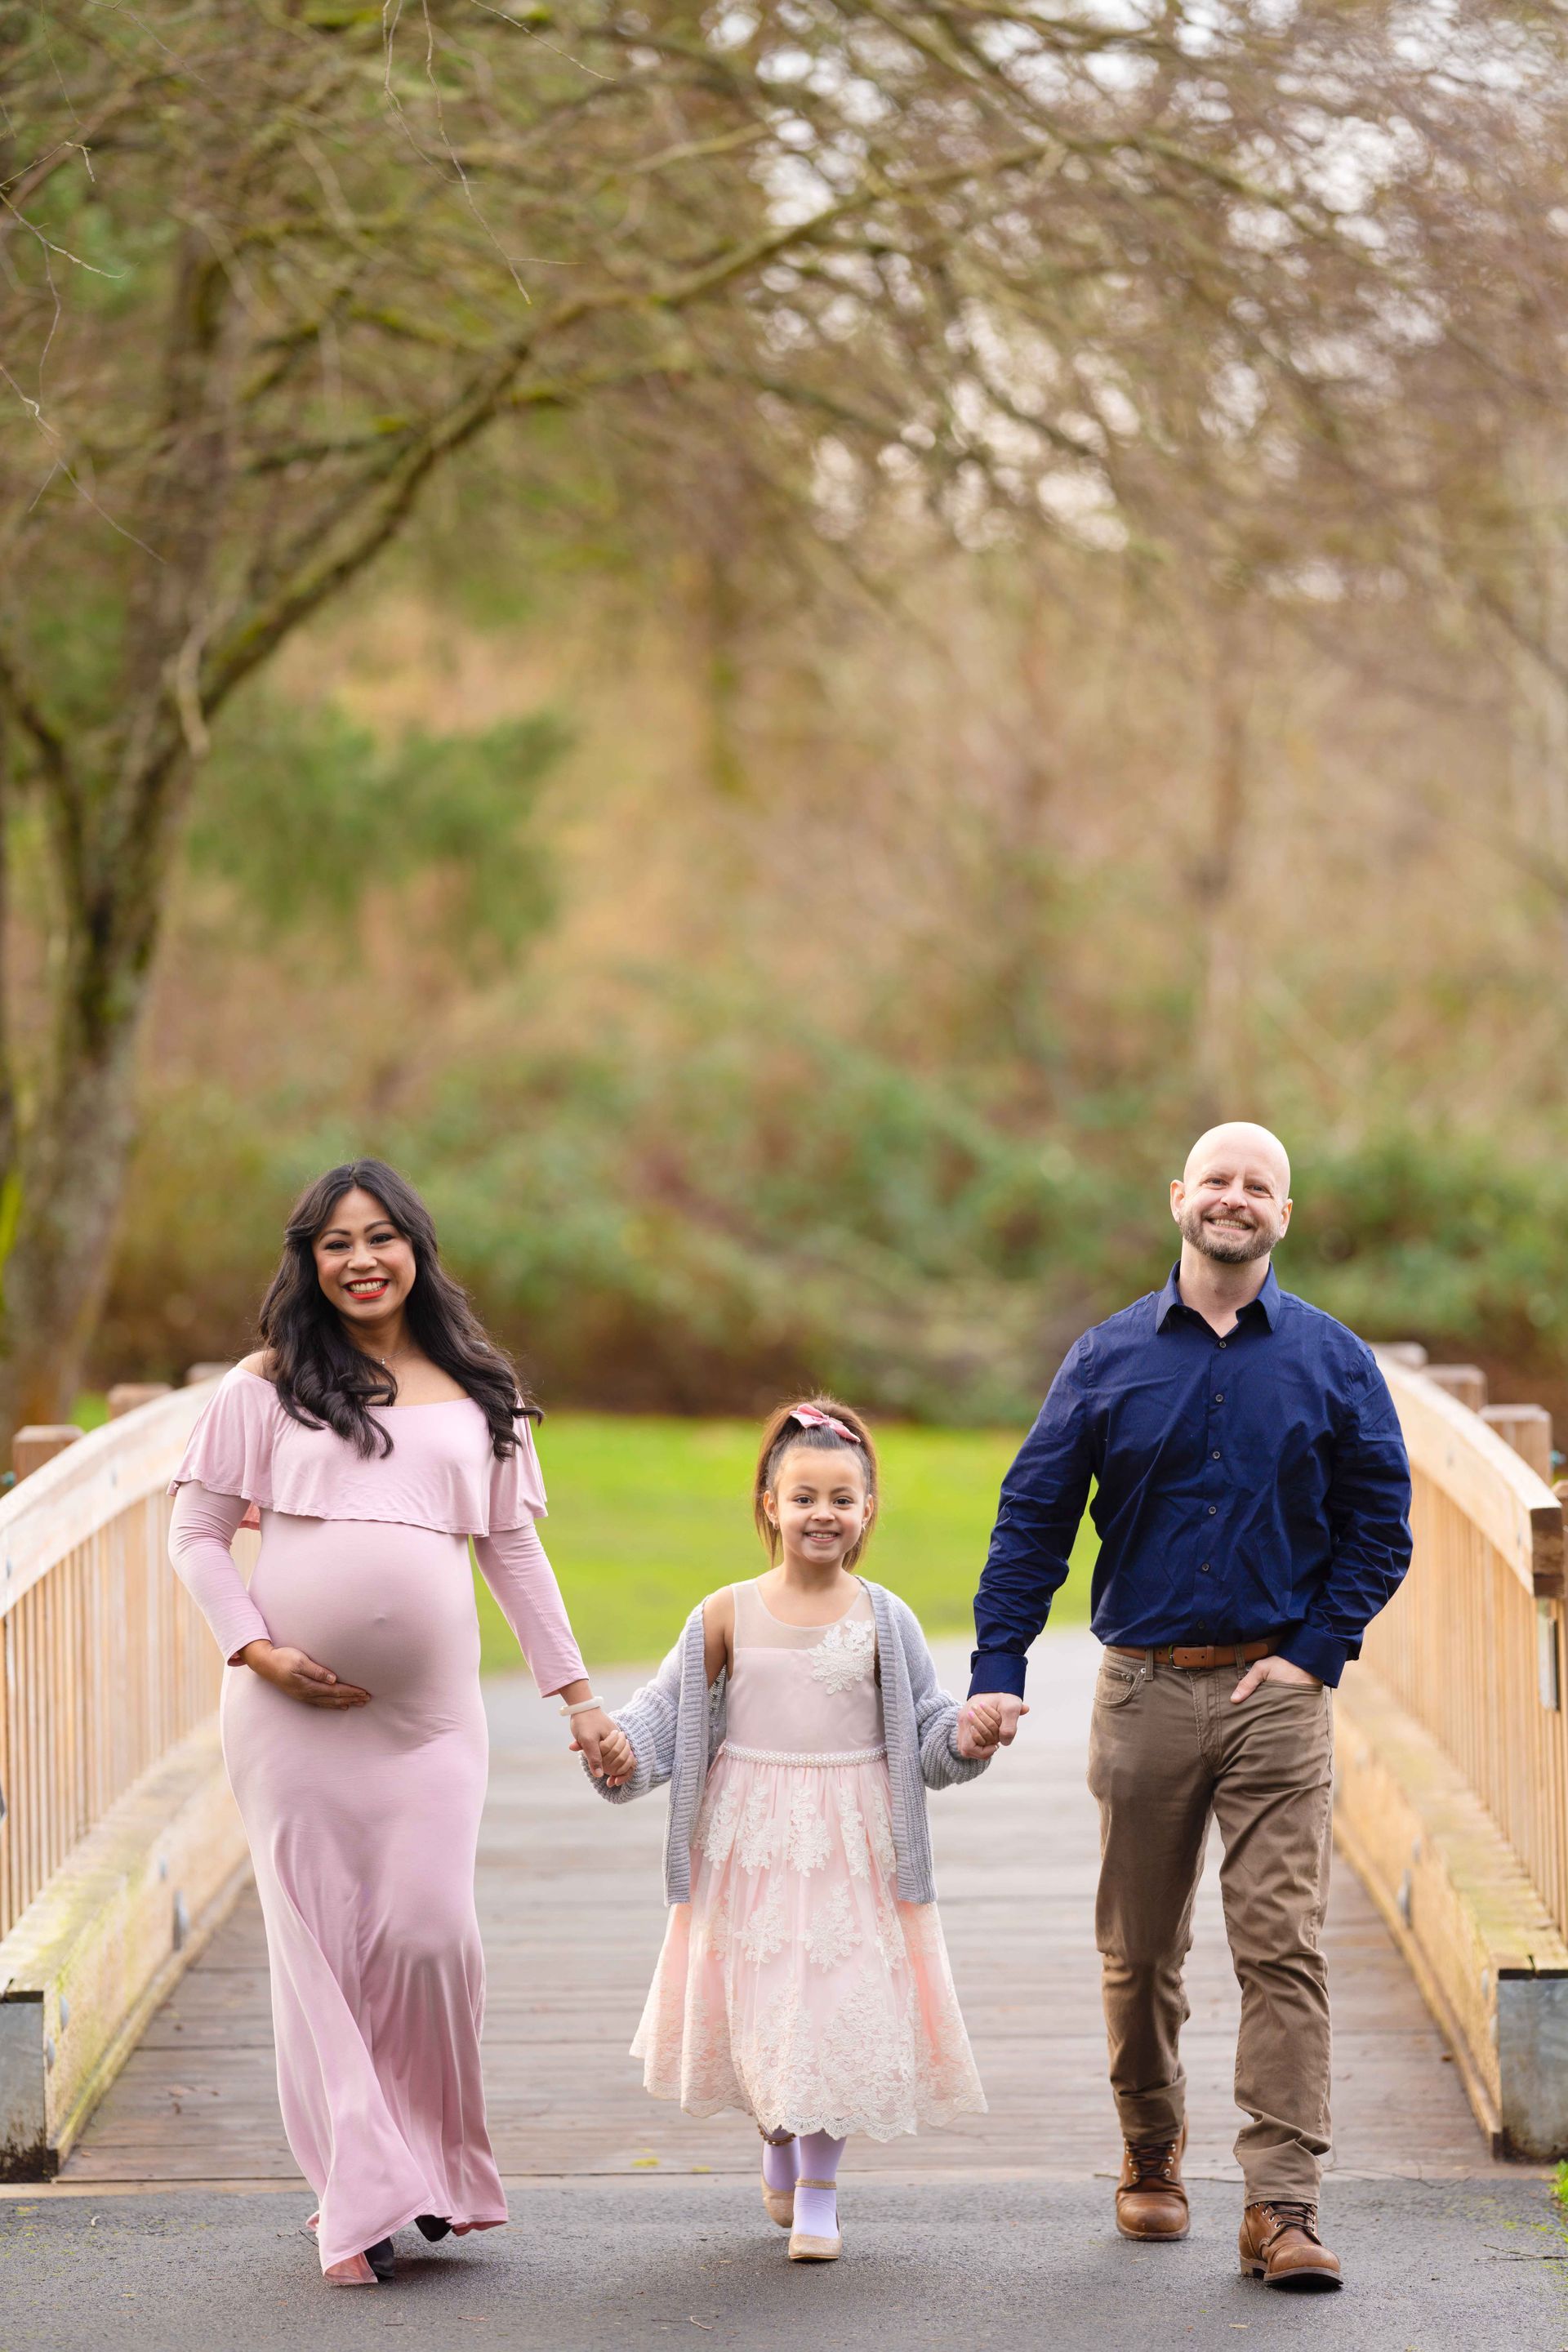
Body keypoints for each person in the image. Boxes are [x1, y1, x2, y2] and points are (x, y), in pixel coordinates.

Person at [965, 1123, 1412, 2293]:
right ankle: (1151, 2150)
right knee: (1139, 1953)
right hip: (1144, 1690)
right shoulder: (1108, 1356)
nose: (1234, 1199)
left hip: (1278, 1692)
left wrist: (1319, 1652)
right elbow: (1034, 1515)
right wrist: (998, 1664)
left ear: (1284, 1213)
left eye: (1257, 1185)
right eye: (1217, 1180)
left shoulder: (1331, 1359)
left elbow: (1382, 1522)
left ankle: (1281, 2205)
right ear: (1179, 1199)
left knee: (1283, 1949)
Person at [167, 1160, 620, 2287]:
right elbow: (198, 1536)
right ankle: (357, 2195)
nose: (360, 1260)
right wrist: (258, 1650)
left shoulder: (480, 1391)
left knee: (428, 1936)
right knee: (318, 1952)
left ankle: (431, 2163)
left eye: (380, 1237)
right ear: (308, 1265)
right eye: (335, 1243)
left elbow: (513, 1552)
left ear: (415, 1247)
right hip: (288, 1721)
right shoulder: (265, 1386)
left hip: (429, 1725)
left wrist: (576, 1694)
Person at [586, 1398, 992, 2262]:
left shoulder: (887, 1618)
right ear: (769, 1504)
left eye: (843, 1498)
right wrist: (619, 1747)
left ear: (868, 1511)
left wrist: (966, 1736)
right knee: (768, 2003)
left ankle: (819, 2193)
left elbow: (927, 1729)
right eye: (804, 1496)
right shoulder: (725, 1612)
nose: (823, 1514)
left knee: (833, 2002)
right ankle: (777, 2132)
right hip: (752, 1840)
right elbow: (665, 1711)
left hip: (853, 1842)